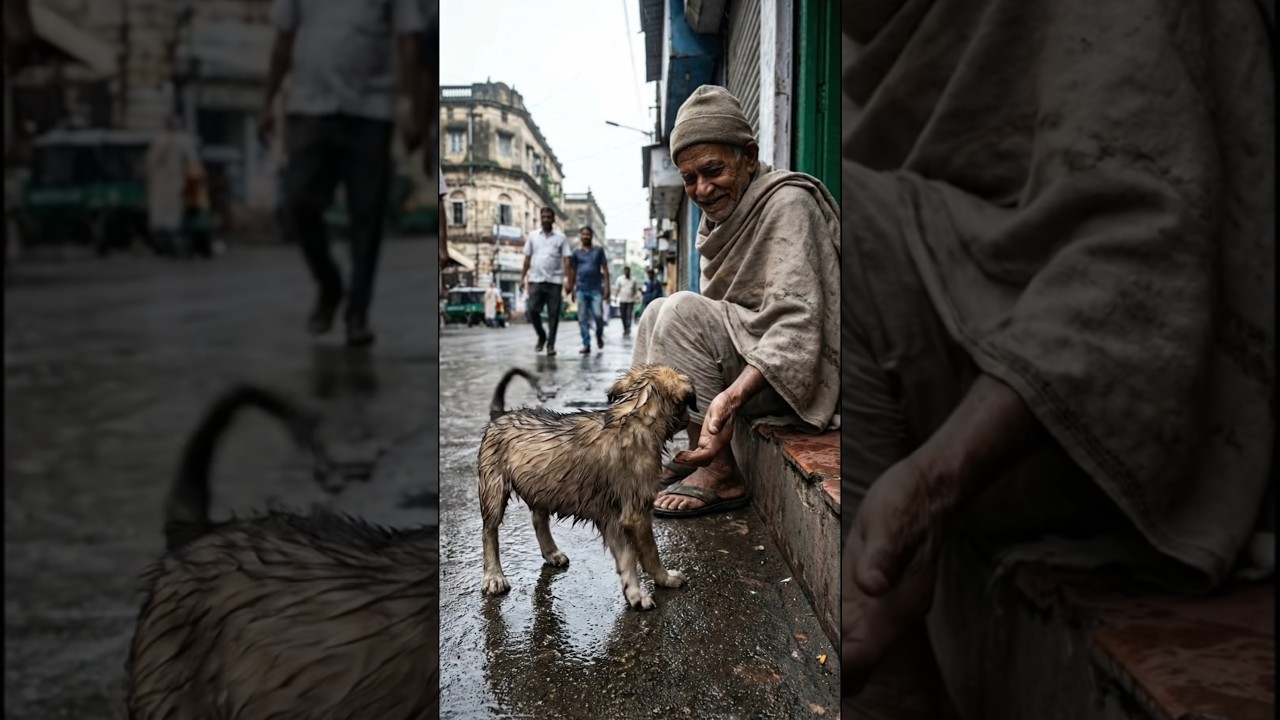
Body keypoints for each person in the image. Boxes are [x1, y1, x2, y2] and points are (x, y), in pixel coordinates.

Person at [838, 2, 1274, 718]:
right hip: (972, 393)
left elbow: (1143, 269)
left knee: (834, 231)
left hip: (1150, 430)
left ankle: (887, 688)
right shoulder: (878, 48)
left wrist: (937, 479)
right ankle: (886, 675)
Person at [633, 85, 840, 518]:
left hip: (799, 374)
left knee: (681, 311)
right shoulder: (717, 221)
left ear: (748, 157)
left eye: (713, 171)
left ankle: (720, 472)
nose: (703, 189)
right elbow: (726, 320)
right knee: (655, 312)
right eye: (690, 178)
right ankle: (677, 454)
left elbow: (797, 325)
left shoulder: (790, 203)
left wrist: (730, 398)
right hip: (756, 358)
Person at [260, 0, 425, 347]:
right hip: (309, 106)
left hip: (370, 110)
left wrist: (410, 106)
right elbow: (283, 38)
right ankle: (329, 284)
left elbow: (408, 40)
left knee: (367, 216)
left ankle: (357, 315)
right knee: (298, 201)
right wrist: (268, 102)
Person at [145, 116, 202, 258]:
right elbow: (193, 162)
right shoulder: (181, 140)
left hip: (165, 185)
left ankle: (165, 242)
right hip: (173, 184)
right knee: (171, 216)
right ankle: (170, 242)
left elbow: (150, 162)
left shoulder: (160, 139)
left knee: (164, 215)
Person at [521, 207, 571, 356]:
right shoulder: (533, 236)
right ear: (540, 218)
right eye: (544, 217)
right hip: (536, 280)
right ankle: (542, 336)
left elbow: (567, 260)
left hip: (554, 281)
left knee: (553, 314)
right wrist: (522, 277)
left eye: (549, 217)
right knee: (532, 310)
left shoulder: (561, 238)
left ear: (553, 219)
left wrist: (567, 280)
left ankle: (551, 345)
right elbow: (527, 258)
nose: (546, 220)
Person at [566, 226, 610, 354]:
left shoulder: (598, 251)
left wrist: (607, 288)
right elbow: (573, 272)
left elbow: (605, 270)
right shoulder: (576, 253)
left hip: (596, 289)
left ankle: (599, 335)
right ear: (580, 236)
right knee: (582, 318)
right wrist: (572, 288)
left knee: (598, 315)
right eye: (583, 234)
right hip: (581, 289)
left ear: (591, 236)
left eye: (588, 234)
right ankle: (586, 344)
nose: (585, 236)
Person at [614, 266, 640, 338]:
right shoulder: (620, 279)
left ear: (629, 272)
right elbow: (617, 289)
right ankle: (625, 328)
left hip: (630, 301)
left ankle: (628, 328)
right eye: (625, 271)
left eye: (628, 271)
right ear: (624, 272)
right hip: (622, 300)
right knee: (623, 316)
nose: (626, 272)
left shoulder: (633, 280)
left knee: (629, 315)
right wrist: (615, 297)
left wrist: (636, 297)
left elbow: (635, 290)